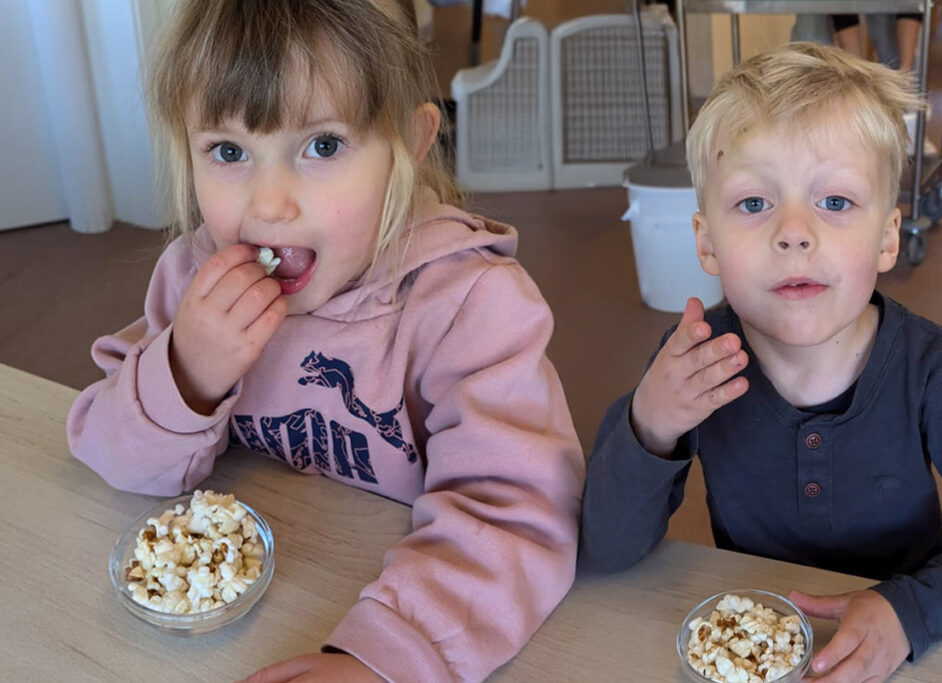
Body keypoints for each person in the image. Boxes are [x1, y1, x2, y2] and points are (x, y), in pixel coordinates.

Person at [66, 1, 584, 681]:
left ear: (412, 140)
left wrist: (386, 656)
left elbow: (518, 511)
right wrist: (185, 371)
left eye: (323, 145)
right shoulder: (194, 277)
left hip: (411, 618)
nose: (269, 204)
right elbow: (110, 453)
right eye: (228, 151)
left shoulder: (470, 306)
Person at [578, 42, 942, 682]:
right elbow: (607, 550)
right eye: (754, 204)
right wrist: (650, 424)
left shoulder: (932, 367)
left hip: (915, 637)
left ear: (888, 238)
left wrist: (910, 612)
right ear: (706, 242)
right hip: (761, 644)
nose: (794, 232)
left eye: (835, 202)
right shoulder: (696, 365)